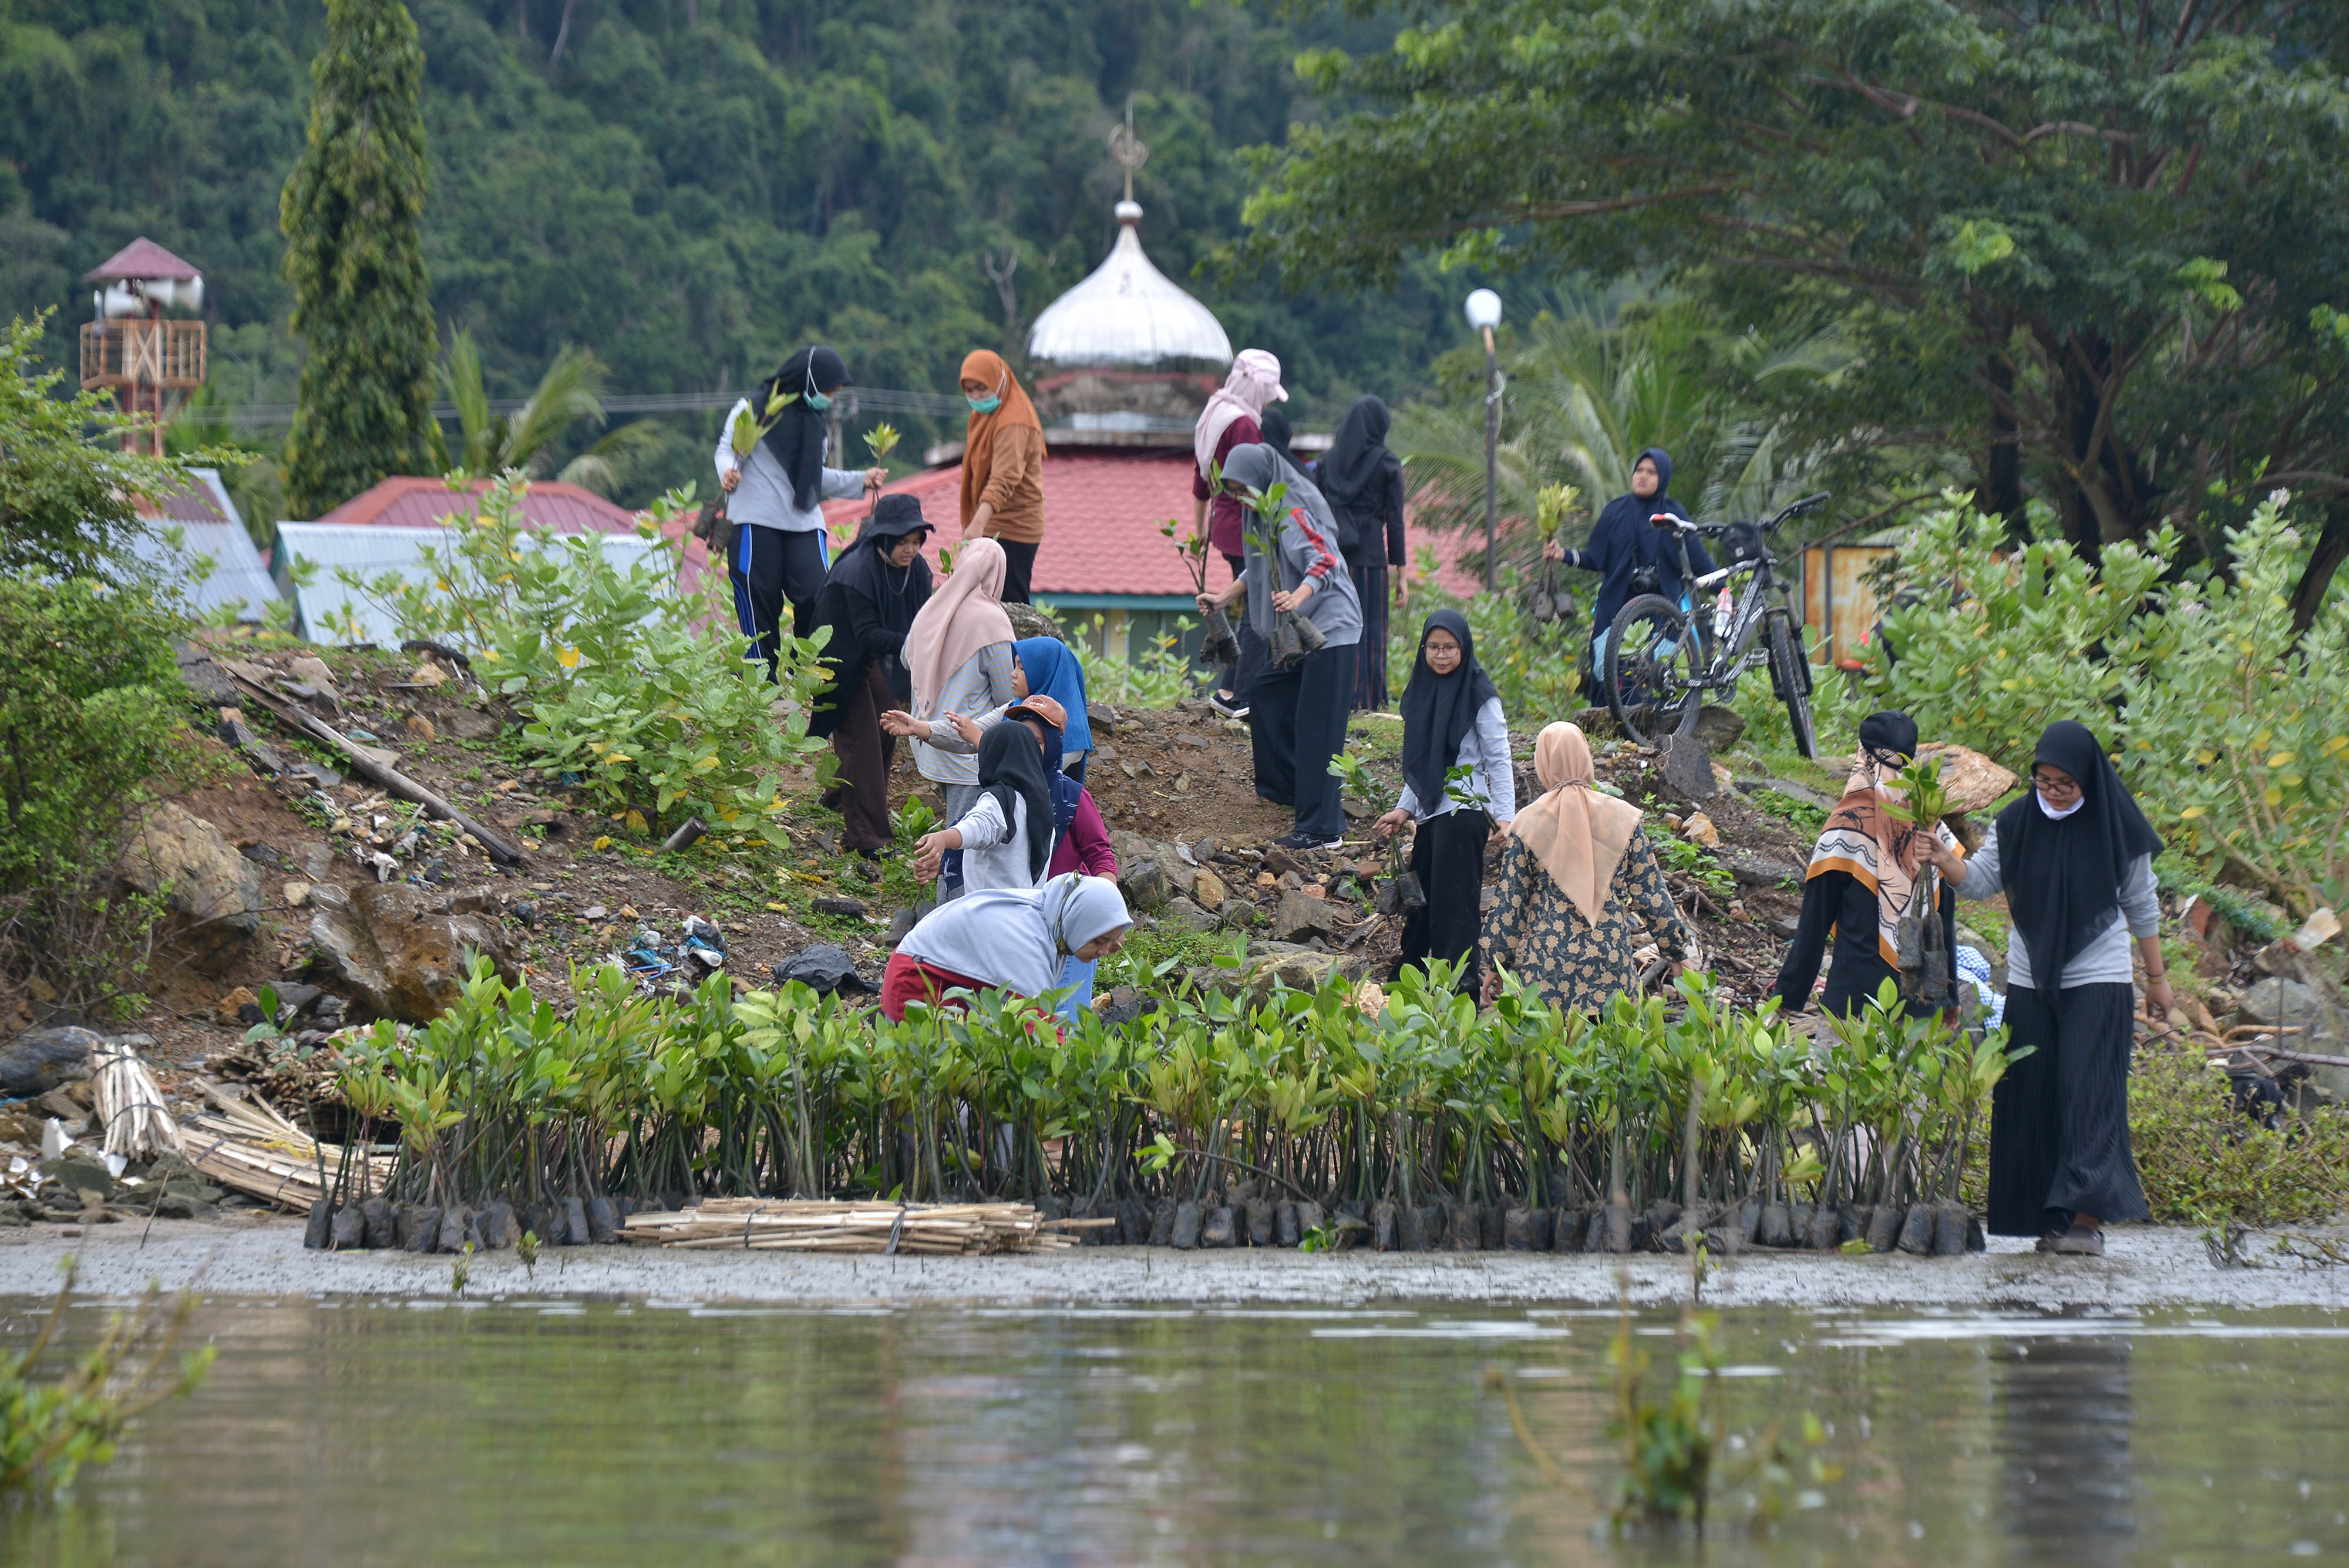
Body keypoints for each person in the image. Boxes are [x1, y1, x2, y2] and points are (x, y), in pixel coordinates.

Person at [1925, 720, 2168, 1257]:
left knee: (2089, 1096)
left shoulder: (2116, 825)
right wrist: (1946, 862)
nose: (2054, 792)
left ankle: (2086, 1222)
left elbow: (2141, 905)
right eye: (2044, 781)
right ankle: (2047, 1217)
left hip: (2099, 981)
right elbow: (1981, 882)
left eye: (2066, 783)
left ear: (2088, 778)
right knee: (2032, 1095)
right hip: (2030, 980)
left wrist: (2157, 980)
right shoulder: (2016, 821)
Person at [1194, 442, 1362, 852]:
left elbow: (1325, 560)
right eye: (1234, 492)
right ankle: (1289, 789)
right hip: (1300, 631)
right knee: (1267, 692)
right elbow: (1259, 567)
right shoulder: (1263, 516)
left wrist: (1297, 597)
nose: (1241, 498)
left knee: (1318, 727)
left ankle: (1322, 829)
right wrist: (1224, 598)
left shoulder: (1291, 510)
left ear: (1263, 480)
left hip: (1330, 628)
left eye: (1244, 489)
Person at [1481, 722, 1689, 1011]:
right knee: (1616, 1037)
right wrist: (1678, 952)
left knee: (1550, 1038)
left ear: (1543, 762)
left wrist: (1496, 963)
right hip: (1611, 961)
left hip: (1548, 966)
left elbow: (1511, 903)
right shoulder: (1623, 817)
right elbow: (1651, 893)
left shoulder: (1526, 824)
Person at [1771, 711, 1961, 1019]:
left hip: (1851, 1007)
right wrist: (1950, 1000)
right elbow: (1944, 923)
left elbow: (1814, 925)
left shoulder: (1845, 828)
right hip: (1921, 1007)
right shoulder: (1933, 829)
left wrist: (1787, 998)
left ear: (1864, 756)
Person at [714, 346, 888, 673]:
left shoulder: (815, 422)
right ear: (808, 380)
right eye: (828, 390)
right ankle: (762, 684)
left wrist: (860, 480)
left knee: (817, 596)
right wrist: (727, 471)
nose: (830, 398)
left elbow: (812, 478)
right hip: (754, 519)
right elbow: (726, 449)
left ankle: (804, 674)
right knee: (759, 601)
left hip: (803, 521)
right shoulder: (753, 408)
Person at [1376, 611, 1514, 993]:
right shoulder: (1424, 690)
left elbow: (1499, 757)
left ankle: (1460, 994)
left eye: (1449, 648)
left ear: (1463, 648)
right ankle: (1409, 983)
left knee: (1454, 907)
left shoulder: (1479, 694)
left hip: (1464, 811)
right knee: (1420, 901)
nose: (1441, 655)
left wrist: (1505, 816)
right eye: (1433, 647)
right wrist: (1405, 808)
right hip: (1432, 813)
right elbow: (1425, 762)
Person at [881, 537, 1021, 884]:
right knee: (962, 846)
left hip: (927, 740)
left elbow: (906, 659)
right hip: (967, 752)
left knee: (953, 831)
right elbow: (1009, 695)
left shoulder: (936, 606)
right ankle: (951, 906)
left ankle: (945, 899)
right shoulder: (992, 621)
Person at [805, 494, 933, 862]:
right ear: (883, 538)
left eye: (916, 542)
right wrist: (915, 646)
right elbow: (865, 634)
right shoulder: (856, 572)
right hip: (838, 658)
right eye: (903, 542)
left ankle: (837, 794)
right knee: (861, 740)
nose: (911, 550)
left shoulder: (918, 570)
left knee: (888, 722)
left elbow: (923, 619)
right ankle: (868, 838)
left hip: (870, 654)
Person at [1543, 447, 1713, 697]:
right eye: (1639, 470)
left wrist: (1724, 590)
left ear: (1663, 478)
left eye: (1652, 472)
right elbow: (1596, 558)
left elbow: (1699, 562)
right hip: (1614, 612)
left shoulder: (1673, 516)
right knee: (1609, 681)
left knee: (1658, 683)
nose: (1643, 476)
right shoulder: (1615, 511)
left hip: (1662, 616)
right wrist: (1564, 555)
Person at [1004, 694, 1119, 1022]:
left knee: (1066, 1021)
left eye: (1038, 742)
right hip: (1016, 925)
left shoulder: (1071, 797)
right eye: (1024, 739)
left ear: (1054, 746)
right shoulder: (1000, 794)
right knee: (1018, 1020)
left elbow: (1101, 856)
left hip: (1067, 924)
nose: (1029, 748)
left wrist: (1105, 913)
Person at [881, 873, 1133, 1022]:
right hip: (916, 981)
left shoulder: (1057, 913)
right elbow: (1036, 1026)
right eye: (1099, 941)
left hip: (947, 979)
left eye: (1111, 942)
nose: (1104, 952)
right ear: (1079, 923)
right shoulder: (1026, 938)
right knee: (949, 1073)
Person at [1192, 349, 1287, 719]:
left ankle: (1230, 688)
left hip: (1225, 525)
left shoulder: (1216, 411)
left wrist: (1201, 527)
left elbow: (1200, 476)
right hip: (1246, 527)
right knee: (1258, 612)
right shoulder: (1245, 424)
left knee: (1250, 608)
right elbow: (1254, 483)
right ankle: (1238, 695)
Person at [1318, 395, 1406, 710]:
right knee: (1371, 628)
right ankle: (1368, 699)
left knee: (1337, 626)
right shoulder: (1387, 463)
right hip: (1370, 560)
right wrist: (1402, 575)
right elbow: (1395, 521)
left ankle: (1336, 695)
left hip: (1333, 559)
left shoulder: (1327, 462)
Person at [911, 721, 1056, 895]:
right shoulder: (1040, 803)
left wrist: (944, 838)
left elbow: (980, 826)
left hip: (989, 907)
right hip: (1027, 907)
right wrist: (943, 864)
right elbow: (1009, 858)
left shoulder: (1001, 799)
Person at [957, 349, 1048, 604]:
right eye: (969, 390)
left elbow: (1003, 479)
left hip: (1014, 528)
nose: (976, 397)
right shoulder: (984, 415)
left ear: (999, 381)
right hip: (991, 522)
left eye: (982, 388)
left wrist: (977, 525)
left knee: (1009, 605)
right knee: (984, 601)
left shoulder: (1014, 421)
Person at [1012, 635, 1093, 780]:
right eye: (1015, 666)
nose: (1013, 674)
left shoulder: (1072, 732)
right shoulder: (1016, 706)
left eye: (1022, 668)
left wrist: (981, 743)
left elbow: (1028, 775)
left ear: (1044, 672)